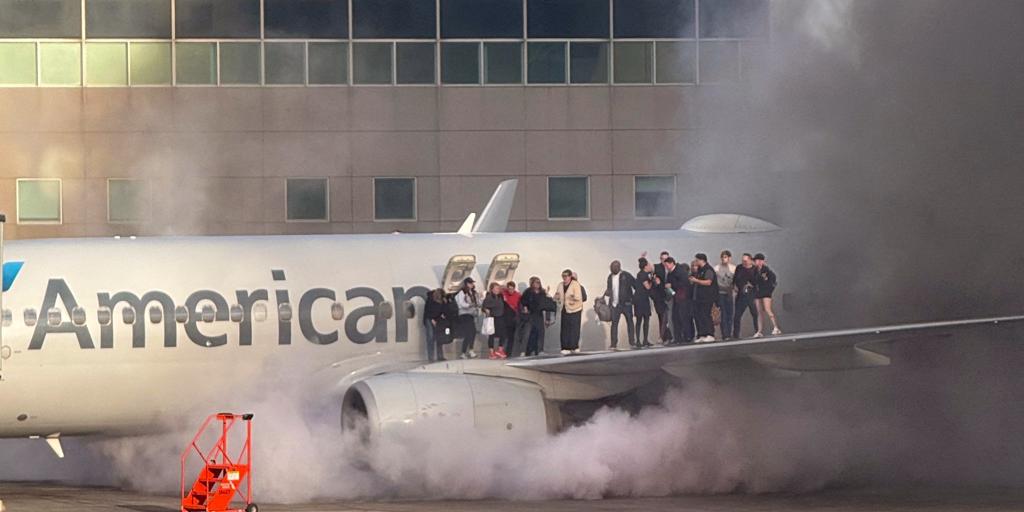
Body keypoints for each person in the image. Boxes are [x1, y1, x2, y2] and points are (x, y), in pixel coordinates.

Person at [603, 260, 636, 350]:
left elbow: (635, 285)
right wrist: (608, 293)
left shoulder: (626, 275)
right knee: (614, 324)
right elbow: (610, 288)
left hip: (626, 304)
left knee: (630, 322)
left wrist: (632, 299)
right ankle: (613, 344)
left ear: (618, 267)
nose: (611, 270)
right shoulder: (610, 277)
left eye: (613, 268)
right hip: (615, 304)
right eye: (611, 268)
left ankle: (632, 342)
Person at [553, 269, 585, 354]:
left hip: (575, 309)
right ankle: (565, 347)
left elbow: (579, 297)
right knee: (564, 328)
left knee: (574, 328)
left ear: (570, 276)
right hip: (565, 309)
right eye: (563, 276)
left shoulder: (576, 285)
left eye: (566, 276)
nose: (564, 278)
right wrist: (556, 297)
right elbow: (558, 295)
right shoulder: (560, 285)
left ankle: (574, 346)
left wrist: (571, 297)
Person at [664, 257, 694, 344]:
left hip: (683, 297)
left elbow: (684, 283)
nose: (667, 267)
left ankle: (688, 336)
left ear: (672, 263)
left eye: (667, 265)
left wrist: (672, 285)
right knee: (675, 317)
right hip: (675, 297)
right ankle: (678, 338)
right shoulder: (670, 274)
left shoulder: (680, 271)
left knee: (684, 317)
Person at [689, 253, 718, 343]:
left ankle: (710, 334)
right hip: (698, 298)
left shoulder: (708, 270)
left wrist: (696, 280)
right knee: (699, 315)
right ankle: (702, 334)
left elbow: (708, 282)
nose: (696, 262)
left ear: (702, 260)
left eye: (697, 260)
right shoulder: (699, 270)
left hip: (707, 297)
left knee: (706, 315)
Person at [519, 277, 550, 356]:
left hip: (539, 315)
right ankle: (523, 351)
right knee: (527, 333)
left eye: (538, 282)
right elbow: (523, 301)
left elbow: (547, 305)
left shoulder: (542, 292)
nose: (537, 284)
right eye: (535, 282)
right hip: (530, 315)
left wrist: (547, 318)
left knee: (540, 333)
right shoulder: (528, 292)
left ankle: (540, 350)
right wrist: (525, 308)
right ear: (532, 283)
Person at [753, 253, 782, 337]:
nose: (757, 262)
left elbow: (773, 281)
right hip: (758, 293)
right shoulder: (754, 271)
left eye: (759, 260)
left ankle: (776, 327)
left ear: (762, 261)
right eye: (756, 260)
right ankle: (759, 330)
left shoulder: (767, 270)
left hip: (766, 292)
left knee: (767, 309)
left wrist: (769, 289)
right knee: (759, 312)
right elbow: (753, 281)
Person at [732, 253, 759, 338]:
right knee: (737, 316)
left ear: (750, 260)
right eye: (743, 261)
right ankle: (736, 335)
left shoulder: (755, 269)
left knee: (755, 314)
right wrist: (735, 287)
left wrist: (751, 285)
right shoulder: (739, 268)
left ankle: (758, 331)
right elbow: (735, 279)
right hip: (741, 294)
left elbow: (758, 281)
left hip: (751, 294)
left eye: (746, 261)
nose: (744, 262)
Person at [649, 250, 673, 344]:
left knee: (669, 317)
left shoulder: (671, 268)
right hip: (659, 297)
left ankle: (667, 336)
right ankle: (664, 337)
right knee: (662, 317)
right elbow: (651, 277)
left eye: (666, 259)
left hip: (670, 295)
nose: (664, 261)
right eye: (662, 259)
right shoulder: (657, 267)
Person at [455, 277, 480, 358]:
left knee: (472, 332)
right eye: (470, 283)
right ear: (466, 284)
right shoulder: (462, 292)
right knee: (469, 332)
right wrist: (469, 305)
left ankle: (469, 350)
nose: (472, 284)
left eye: (472, 283)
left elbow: (478, 302)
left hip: (472, 314)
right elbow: (461, 304)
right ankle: (464, 351)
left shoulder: (473, 293)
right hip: (464, 314)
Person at [714, 250, 737, 340]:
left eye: (726, 257)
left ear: (729, 258)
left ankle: (730, 332)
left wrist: (733, 289)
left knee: (730, 313)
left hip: (730, 293)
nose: (724, 259)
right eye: (723, 257)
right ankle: (725, 334)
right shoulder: (716, 268)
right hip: (720, 293)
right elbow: (715, 283)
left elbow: (735, 281)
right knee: (723, 313)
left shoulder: (733, 268)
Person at [481, 282, 507, 359]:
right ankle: (491, 352)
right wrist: (486, 310)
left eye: (498, 289)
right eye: (495, 288)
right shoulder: (489, 297)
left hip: (500, 317)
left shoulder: (500, 296)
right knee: (491, 334)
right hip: (493, 317)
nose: (497, 290)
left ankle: (500, 349)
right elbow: (484, 307)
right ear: (492, 289)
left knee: (503, 334)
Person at [634, 258, 654, 347]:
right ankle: (642, 340)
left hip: (639, 299)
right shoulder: (643, 275)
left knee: (640, 320)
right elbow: (648, 287)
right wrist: (652, 281)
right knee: (644, 320)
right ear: (645, 266)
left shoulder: (640, 274)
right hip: (642, 300)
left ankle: (640, 340)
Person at [423, 288, 448, 361]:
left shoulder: (442, 301)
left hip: (438, 319)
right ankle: (431, 357)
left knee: (439, 337)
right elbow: (427, 311)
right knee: (430, 337)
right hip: (429, 318)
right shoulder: (430, 300)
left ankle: (440, 356)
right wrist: (432, 319)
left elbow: (443, 311)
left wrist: (445, 304)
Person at [501, 281, 522, 358]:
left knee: (511, 337)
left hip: (513, 317)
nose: (510, 291)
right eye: (509, 289)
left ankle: (508, 353)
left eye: (512, 289)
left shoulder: (518, 295)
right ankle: (502, 351)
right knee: (504, 336)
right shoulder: (504, 293)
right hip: (505, 317)